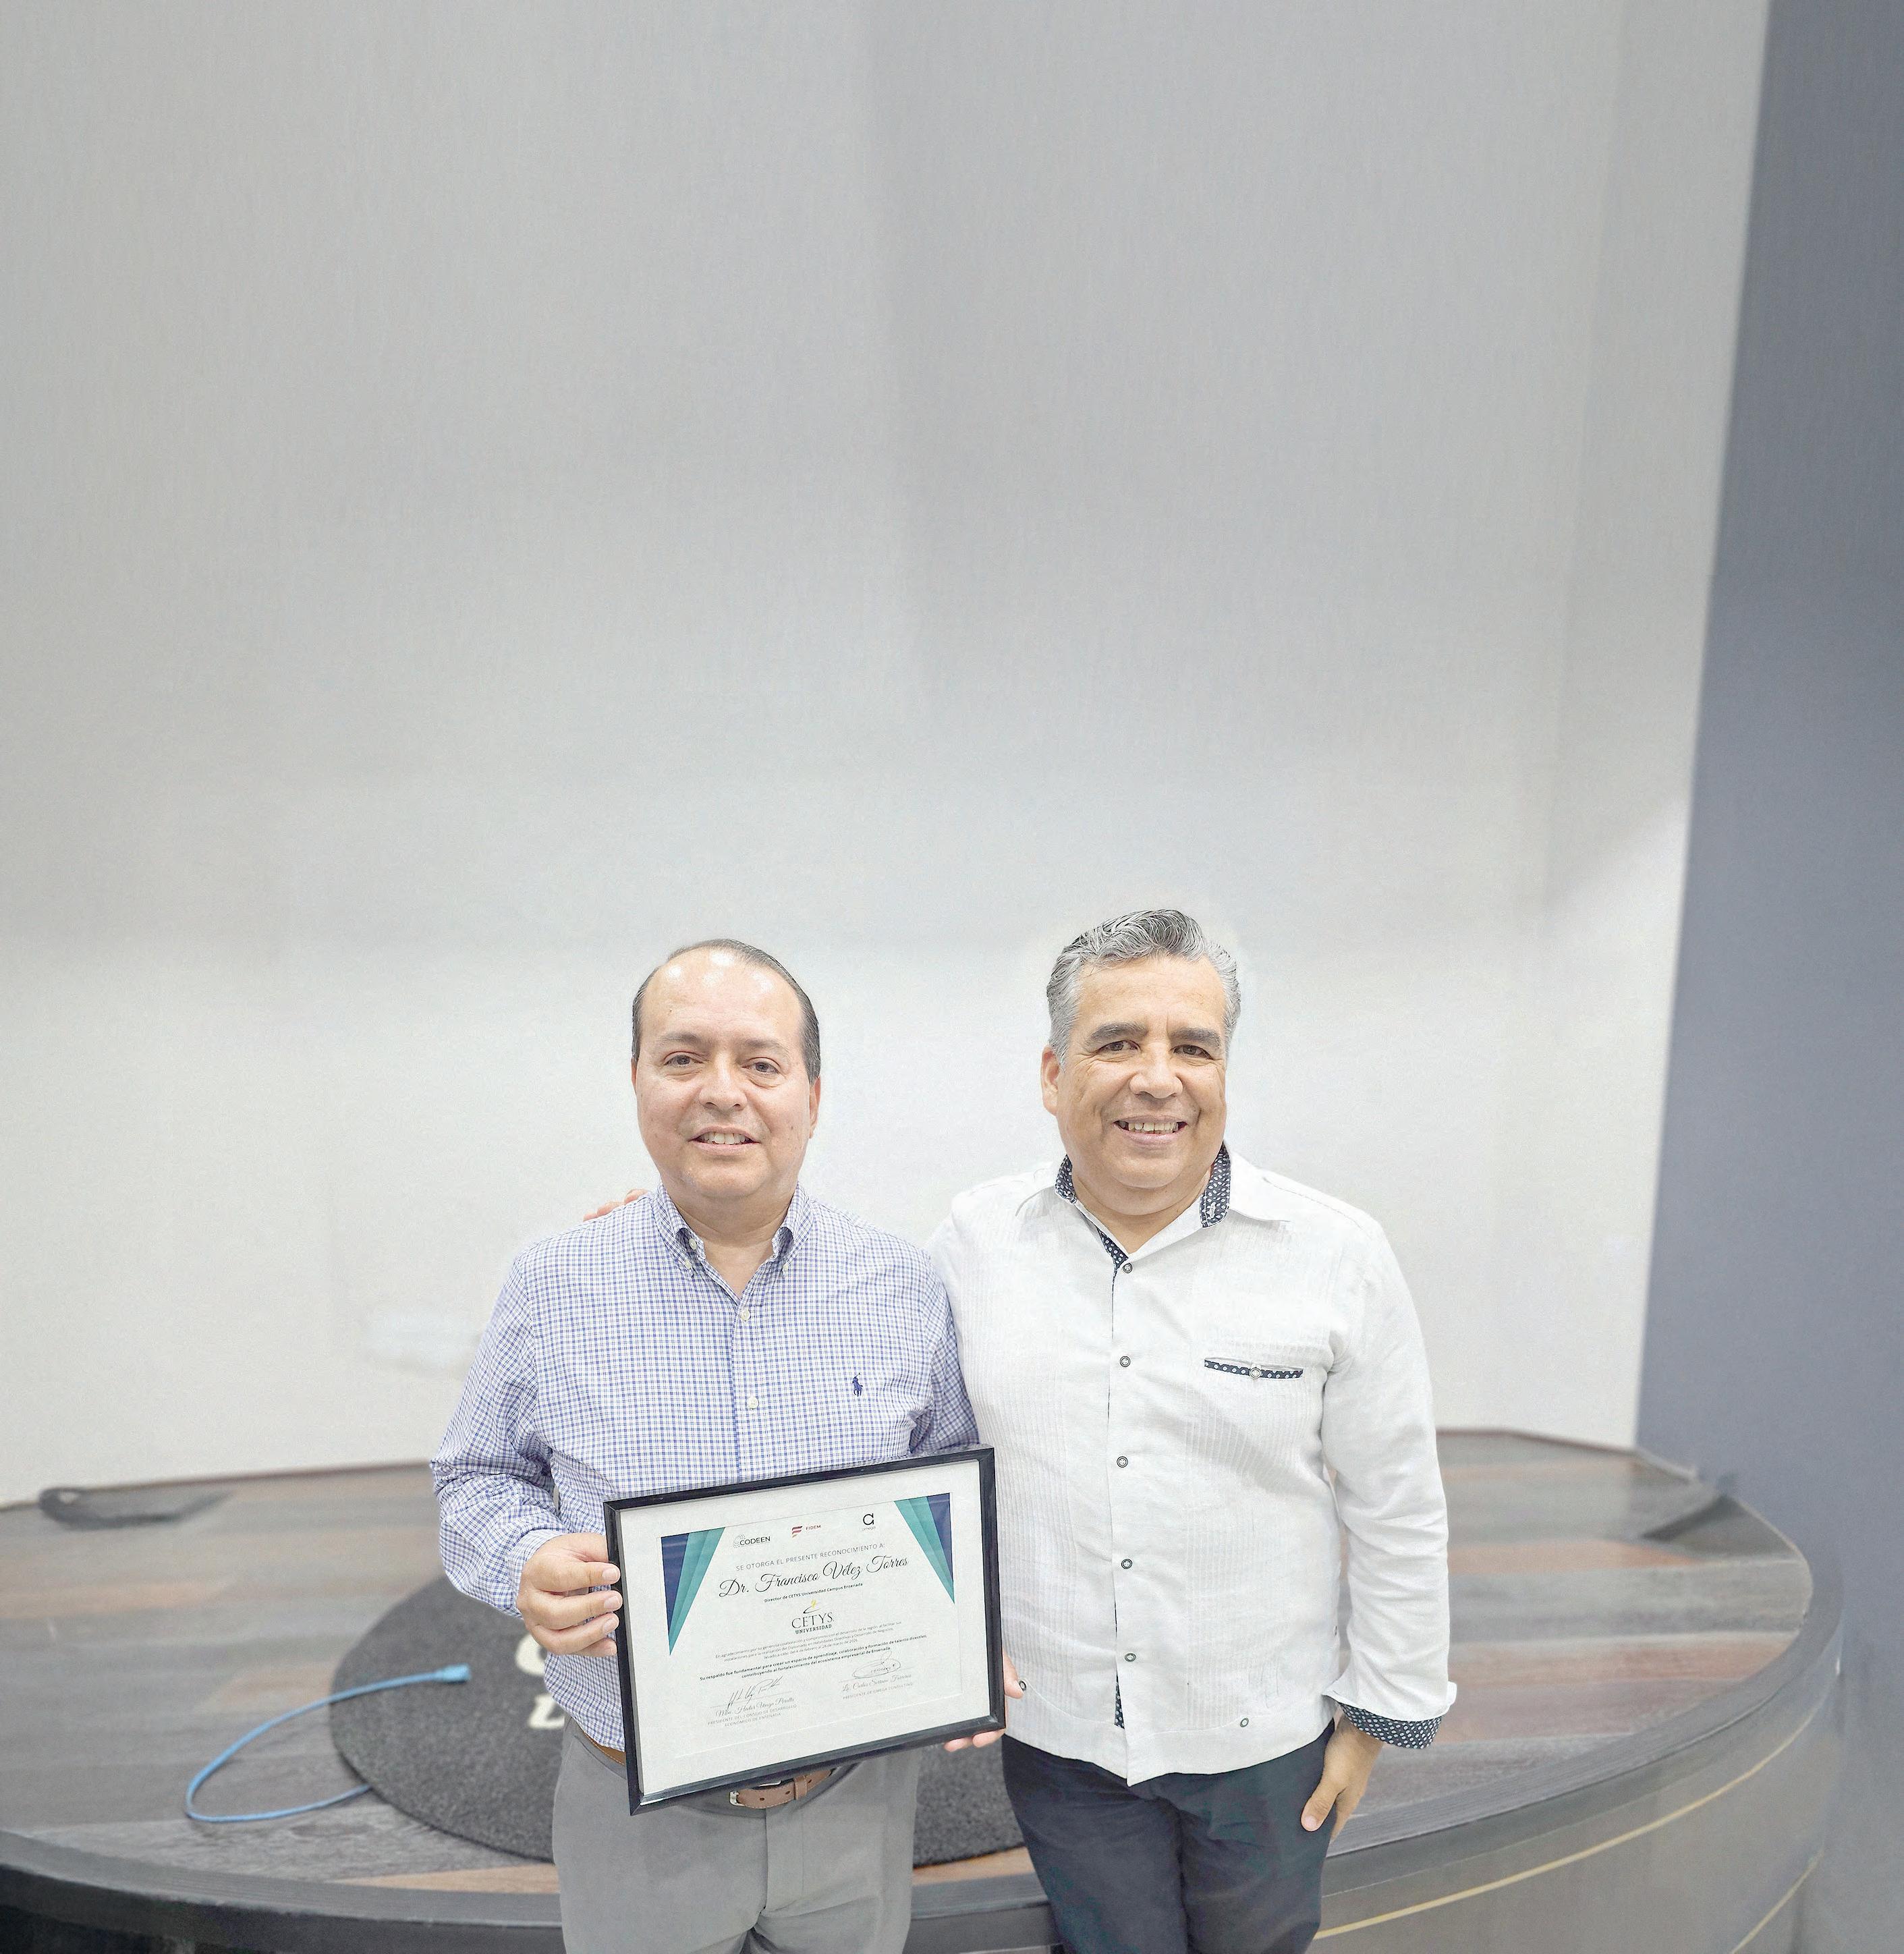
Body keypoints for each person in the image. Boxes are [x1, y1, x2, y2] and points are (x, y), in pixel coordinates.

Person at [431, 939, 994, 1954]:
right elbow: (477, 1476)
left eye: (761, 1063)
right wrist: (524, 1559)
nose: (722, 1091)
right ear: (637, 1081)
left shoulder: (902, 1286)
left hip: (857, 1796)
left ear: (812, 1094)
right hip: (636, 1802)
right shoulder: (554, 1284)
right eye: (683, 1058)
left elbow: (949, 1481)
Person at [931, 909, 1455, 1954]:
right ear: (1053, 1074)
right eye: (1117, 1042)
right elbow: (919, 1454)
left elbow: (1395, 1504)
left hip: (1263, 1740)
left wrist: (1374, 1719)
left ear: (1224, 1072)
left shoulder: (1335, 1254)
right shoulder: (972, 1244)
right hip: (1060, 1738)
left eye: (1193, 1047)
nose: (1157, 1077)